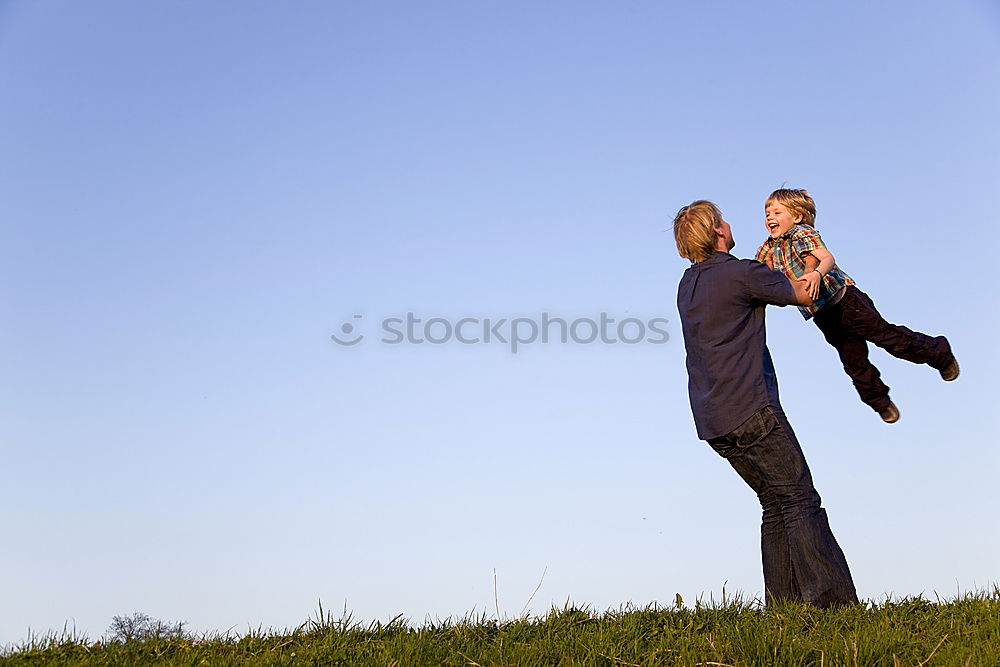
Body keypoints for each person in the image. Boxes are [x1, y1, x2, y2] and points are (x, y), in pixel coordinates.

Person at [674, 199, 858, 609]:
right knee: (800, 500)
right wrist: (816, 262)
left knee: (775, 505)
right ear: (718, 232)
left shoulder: (688, 285)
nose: (729, 221)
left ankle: (786, 608)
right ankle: (834, 606)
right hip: (753, 409)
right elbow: (801, 292)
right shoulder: (741, 273)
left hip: (713, 420)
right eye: (723, 218)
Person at [755, 188, 959, 423]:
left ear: (797, 216)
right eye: (767, 213)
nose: (770, 217)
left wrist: (816, 274)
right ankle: (880, 401)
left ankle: (940, 353)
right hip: (824, 314)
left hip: (846, 300)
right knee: (853, 361)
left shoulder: (802, 234)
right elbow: (759, 277)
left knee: (889, 339)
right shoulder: (768, 248)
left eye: (777, 212)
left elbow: (827, 257)